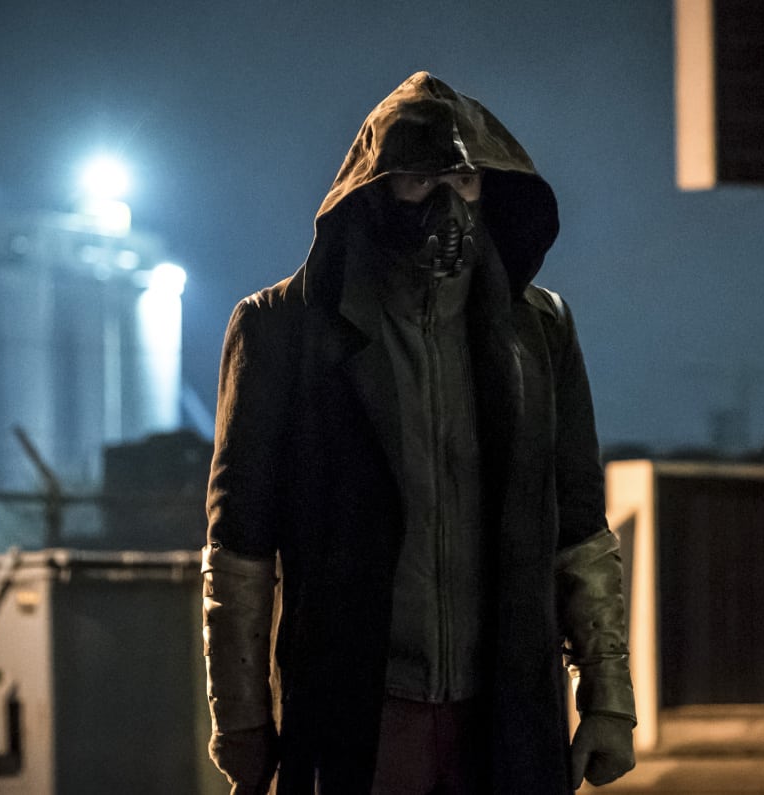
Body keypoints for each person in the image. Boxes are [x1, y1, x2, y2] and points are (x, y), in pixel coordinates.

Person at [202, 71, 635, 795]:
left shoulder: (540, 329)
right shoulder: (281, 328)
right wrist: (241, 718)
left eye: (463, 179)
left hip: (504, 714)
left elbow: (581, 525)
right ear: (374, 192)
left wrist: (608, 695)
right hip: (357, 717)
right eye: (418, 179)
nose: (447, 204)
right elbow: (239, 544)